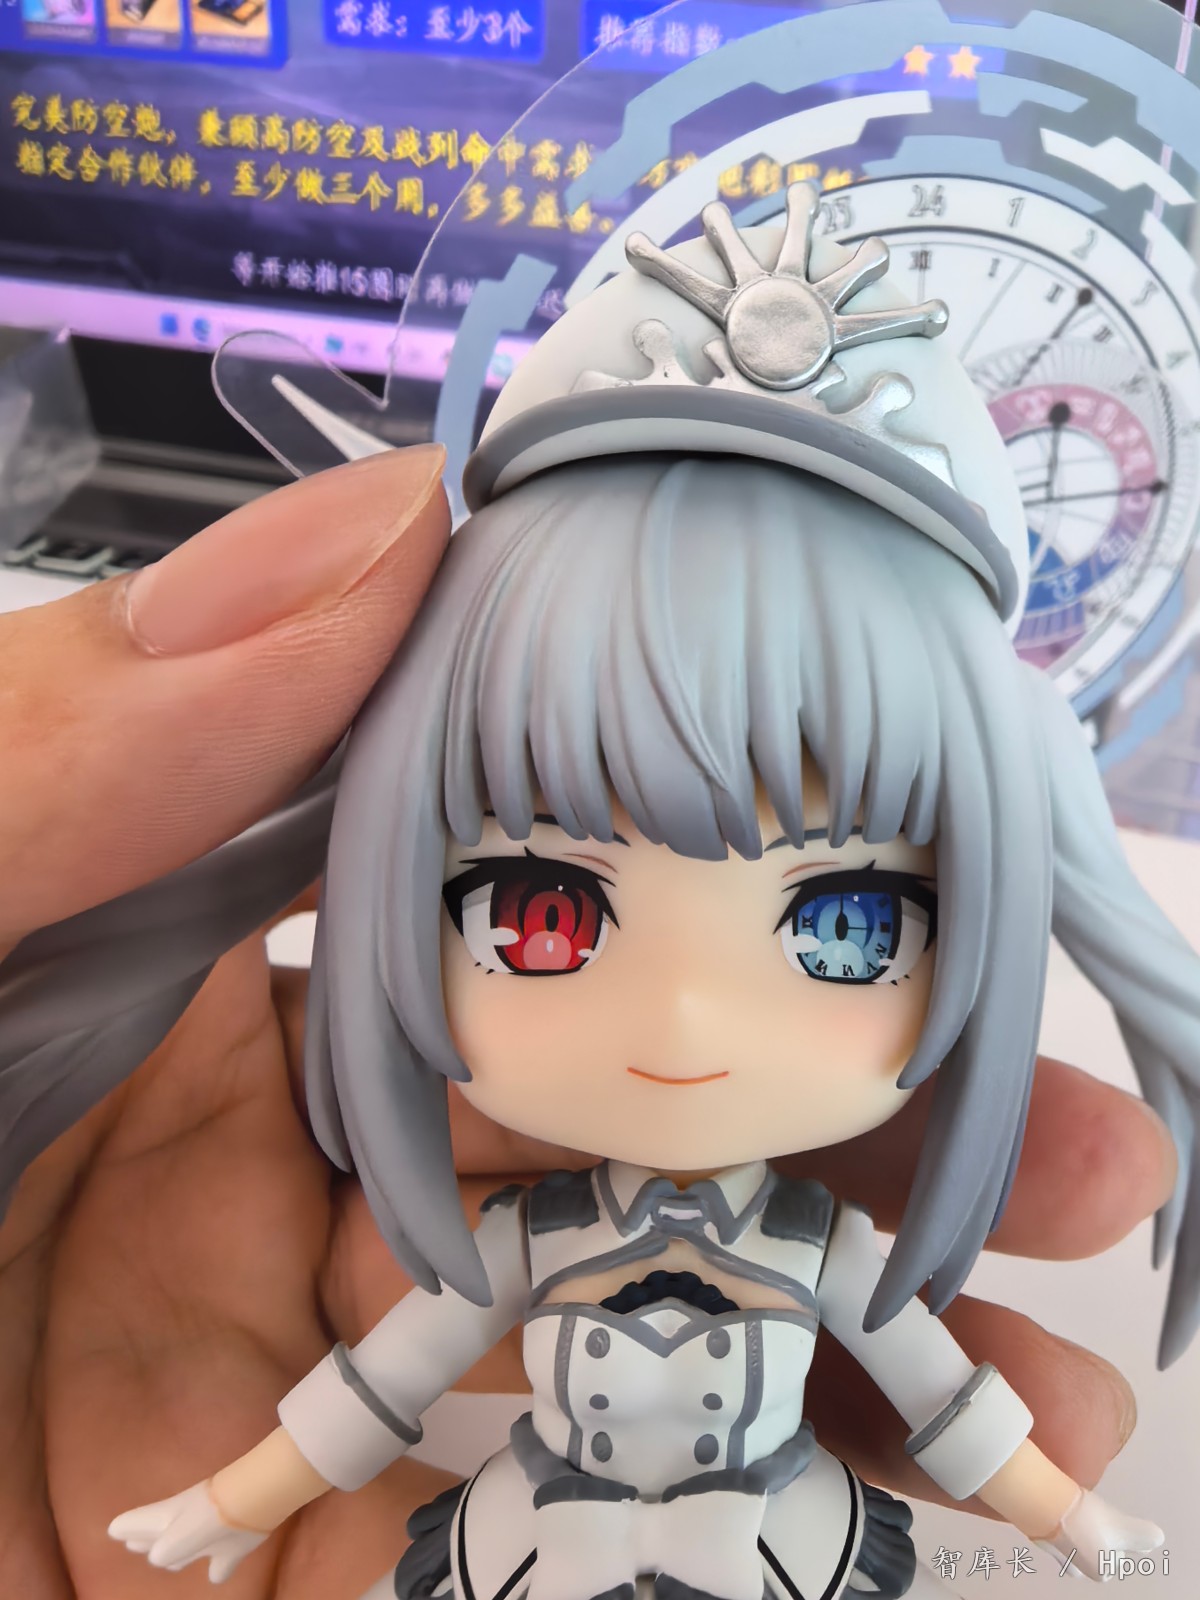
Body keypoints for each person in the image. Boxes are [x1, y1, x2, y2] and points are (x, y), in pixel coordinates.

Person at [12, 189, 1185, 1597]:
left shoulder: (818, 1248)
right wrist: (226, 1501)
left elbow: (950, 1406)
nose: (685, 1016)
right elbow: (380, 1388)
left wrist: (1077, 1523)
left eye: (844, 926)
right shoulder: (531, 1241)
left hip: (774, 1548)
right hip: (536, 1546)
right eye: (542, 912)